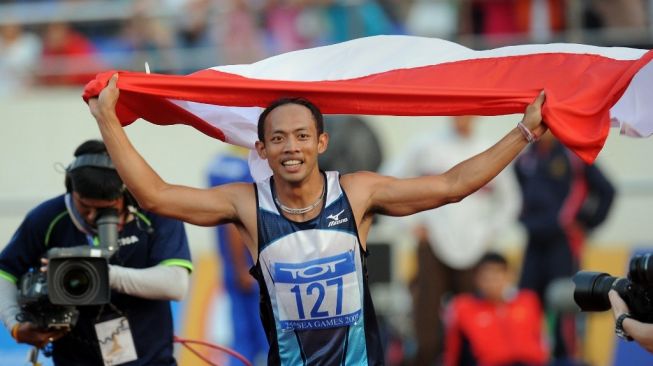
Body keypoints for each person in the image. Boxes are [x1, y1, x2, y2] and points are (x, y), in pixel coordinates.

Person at [88, 73, 547, 365]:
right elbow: (157, 196)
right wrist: (108, 119)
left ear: (321, 143)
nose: (292, 147)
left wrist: (523, 131)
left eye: (302, 136)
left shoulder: (358, 191)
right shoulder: (246, 204)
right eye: (280, 139)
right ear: (262, 149)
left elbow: (452, 186)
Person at [0, 140, 193, 365]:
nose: (92, 216)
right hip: (75, 359)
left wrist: (102, 274)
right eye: (84, 205)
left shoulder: (155, 213)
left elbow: (175, 284)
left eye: (104, 208)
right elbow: (5, 272)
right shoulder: (47, 218)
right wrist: (15, 325)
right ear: (70, 189)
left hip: (150, 360)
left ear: (126, 194)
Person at [384, 115, 520, 365]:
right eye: (458, 113)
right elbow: (388, 182)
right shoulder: (426, 146)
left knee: (471, 324)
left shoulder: (488, 150)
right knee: (426, 323)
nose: (462, 119)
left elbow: (511, 200)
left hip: (475, 249)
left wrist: (490, 231)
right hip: (432, 245)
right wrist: (411, 225)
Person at [514, 130, 615, 363]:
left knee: (563, 303)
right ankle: (528, 356)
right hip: (534, 241)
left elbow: (607, 191)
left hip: (563, 243)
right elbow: (517, 195)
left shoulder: (573, 155)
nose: (542, 130)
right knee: (526, 302)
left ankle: (567, 358)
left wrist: (586, 223)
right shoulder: (524, 158)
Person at [208, 151, 269, 365]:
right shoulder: (249, 167)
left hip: (231, 268)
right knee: (265, 339)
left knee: (241, 340)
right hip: (251, 269)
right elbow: (235, 222)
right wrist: (242, 267)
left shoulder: (218, 163)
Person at [443, 252, 548, 366]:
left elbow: (543, 341)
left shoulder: (528, 301)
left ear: (509, 276)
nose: (492, 282)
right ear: (477, 279)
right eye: (487, 276)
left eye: (497, 274)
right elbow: (452, 354)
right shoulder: (465, 308)